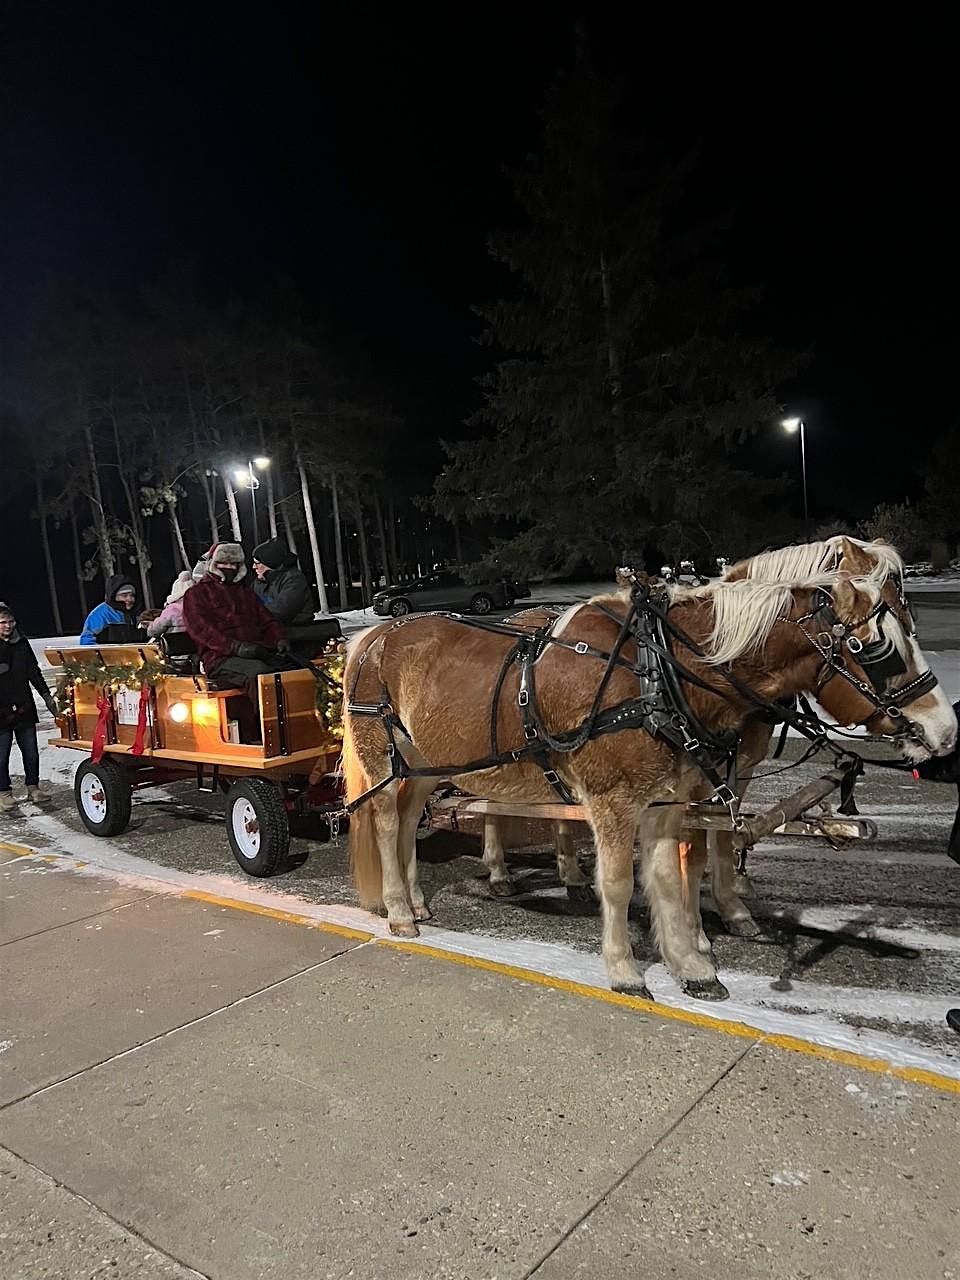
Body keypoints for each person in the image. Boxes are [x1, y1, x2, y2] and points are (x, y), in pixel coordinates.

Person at [181, 542, 291, 715]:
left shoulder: (245, 593)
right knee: (258, 673)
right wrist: (235, 647)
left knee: (290, 669)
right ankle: (265, 725)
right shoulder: (197, 594)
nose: (229, 567)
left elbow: (267, 620)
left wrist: (279, 639)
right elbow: (202, 631)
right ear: (213, 564)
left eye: (234, 564)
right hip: (219, 658)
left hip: (255, 651)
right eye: (224, 563)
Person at [0, 602, 58, 811]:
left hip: (23, 706)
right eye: (3, 622)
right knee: (1, 755)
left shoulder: (22, 644)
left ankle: (33, 788)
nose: (8, 626)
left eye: (10, 621)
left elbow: (34, 672)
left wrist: (47, 697)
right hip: (1, 710)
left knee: (31, 752)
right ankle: (4, 793)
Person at [251, 538, 314, 625]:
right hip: (270, 628)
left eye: (257, 563)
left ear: (270, 563)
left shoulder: (294, 580)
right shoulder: (259, 582)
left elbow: (281, 612)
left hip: (296, 628)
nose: (254, 567)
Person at [80, 576, 146, 645]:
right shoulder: (100, 614)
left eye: (132, 595)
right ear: (114, 596)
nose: (129, 599)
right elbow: (87, 641)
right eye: (124, 595)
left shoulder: (134, 614)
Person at [146, 571, 194, 639]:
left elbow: (155, 630)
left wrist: (150, 626)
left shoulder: (172, 609)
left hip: (177, 644)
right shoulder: (199, 606)